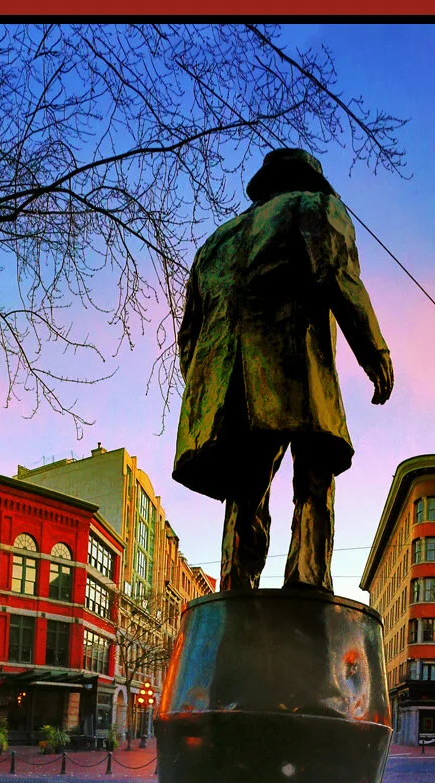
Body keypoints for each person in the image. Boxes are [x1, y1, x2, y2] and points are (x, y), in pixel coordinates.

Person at [174, 148, 394, 592]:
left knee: (245, 493)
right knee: (314, 477)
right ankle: (308, 584)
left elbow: (188, 338)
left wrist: (208, 393)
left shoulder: (214, 243)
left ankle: (236, 587)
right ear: (309, 180)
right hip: (296, 367)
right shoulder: (314, 207)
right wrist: (375, 352)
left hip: (228, 386)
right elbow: (339, 276)